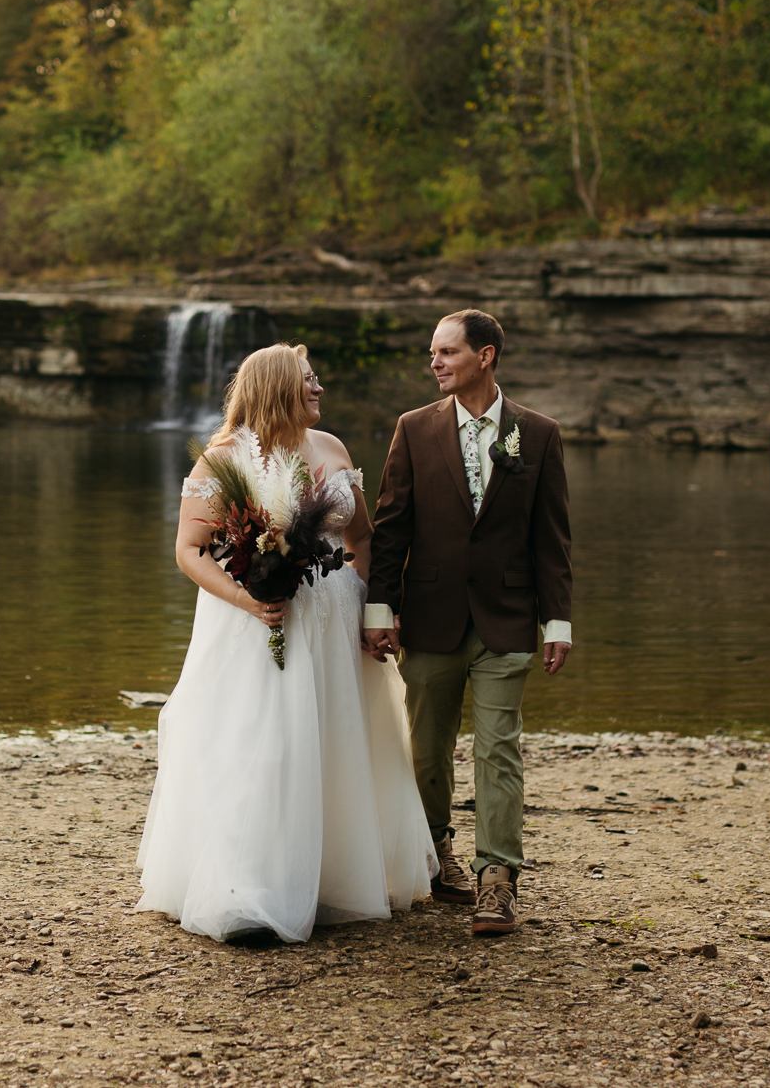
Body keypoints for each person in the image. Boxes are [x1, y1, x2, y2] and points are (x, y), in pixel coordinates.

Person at [137, 344, 436, 945]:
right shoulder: (221, 461)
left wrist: (373, 610)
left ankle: (331, 877)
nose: (319, 388)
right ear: (277, 388)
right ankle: (250, 890)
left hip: (335, 622)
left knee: (335, 739)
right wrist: (249, 599)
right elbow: (189, 551)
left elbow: (361, 540)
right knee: (266, 744)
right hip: (259, 622)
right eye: (309, 380)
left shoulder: (333, 449)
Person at [365, 309, 572, 937]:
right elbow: (390, 528)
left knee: (498, 748)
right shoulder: (413, 430)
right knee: (427, 750)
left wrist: (557, 621)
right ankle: (433, 856)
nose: (435, 362)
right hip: (429, 618)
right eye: (432, 352)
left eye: (447, 352)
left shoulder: (536, 435)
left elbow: (552, 538)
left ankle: (498, 882)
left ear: (485, 356)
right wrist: (379, 610)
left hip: (508, 620)